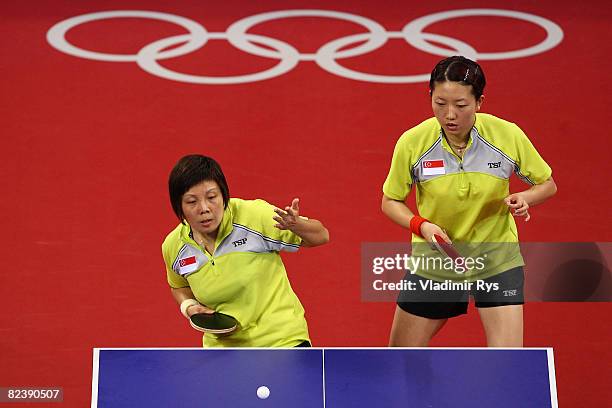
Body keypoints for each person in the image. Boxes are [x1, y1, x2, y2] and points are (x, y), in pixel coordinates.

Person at [382, 56, 557, 347]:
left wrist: (525, 198)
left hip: (496, 256)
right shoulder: (413, 143)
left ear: (479, 102)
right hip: (437, 259)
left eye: (461, 105)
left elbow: (547, 184)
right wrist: (421, 225)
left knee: (507, 362)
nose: (450, 114)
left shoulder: (507, 136)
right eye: (440, 103)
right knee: (401, 356)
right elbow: (390, 201)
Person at [162, 154, 329, 347]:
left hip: (281, 342)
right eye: (192, 202)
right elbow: (178, 285)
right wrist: (189, 306)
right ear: (179, 207)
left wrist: (296, 224)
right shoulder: (174, 246)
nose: (205, 208)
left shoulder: (253, 217)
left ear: (224, 195)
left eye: (212, 197)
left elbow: (321, 235)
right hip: (224, 351)